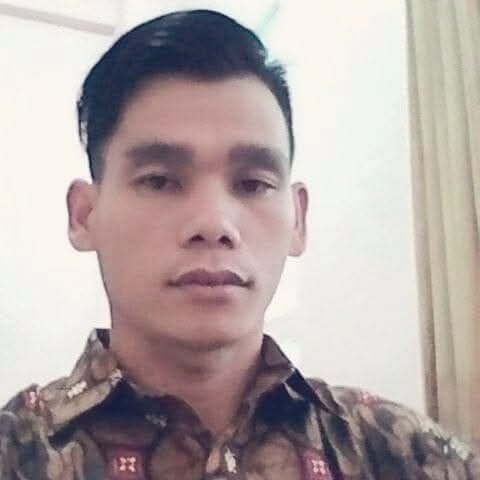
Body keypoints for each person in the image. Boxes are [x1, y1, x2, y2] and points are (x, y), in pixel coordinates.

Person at [0, 9, 478, 480]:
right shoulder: (18, 454)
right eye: (160, 180)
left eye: (252, 184)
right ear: (84, 215)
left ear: (298, 219)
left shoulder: (400, 453)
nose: (214, 224)